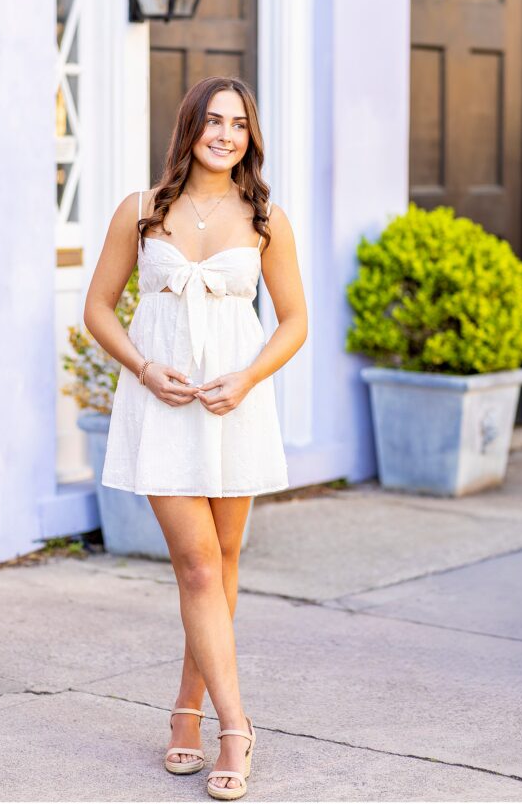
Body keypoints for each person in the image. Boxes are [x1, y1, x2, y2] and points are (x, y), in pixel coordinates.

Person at [83, 75, 308, 800]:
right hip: (164, 408)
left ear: (251, 136)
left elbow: (295, 320)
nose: (225, 135)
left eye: (238, 124)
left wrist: (246, 379)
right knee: (198, 566)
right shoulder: (142, 211)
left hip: (232, 406)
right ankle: (237, 729)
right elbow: (98, 309)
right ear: (189, 127)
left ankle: (187, 711)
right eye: (213, 121)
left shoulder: (266, 218)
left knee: (220, 561)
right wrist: (145, 369)